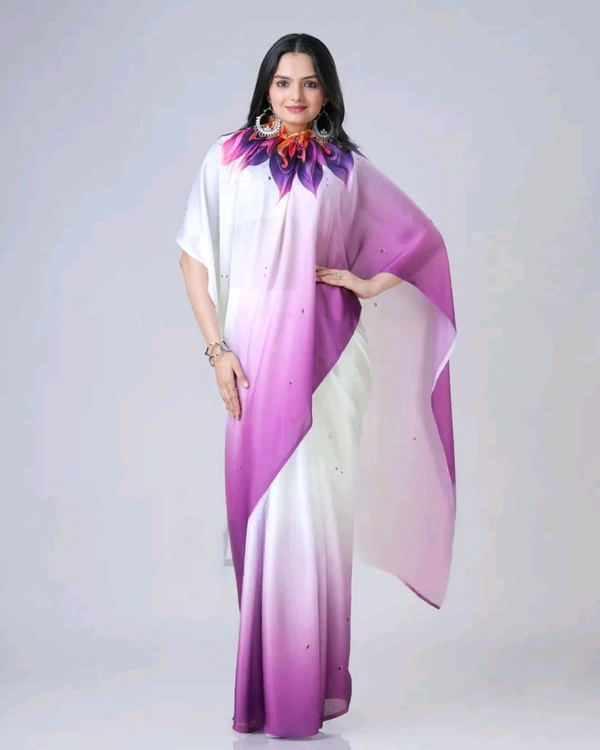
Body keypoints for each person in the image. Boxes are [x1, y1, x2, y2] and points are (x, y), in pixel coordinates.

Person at [177, 32, 457, 740]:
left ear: (326, 91)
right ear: (266, 88)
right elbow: (193, 261)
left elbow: (422, 242)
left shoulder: (345, 169)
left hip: (329, 360)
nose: (295, 95)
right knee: (267, 511)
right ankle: (268, 688)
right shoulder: (226, 160)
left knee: (317, 516)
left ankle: (305, 690)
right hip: (252, 356)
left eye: (308, 82)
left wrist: (367, 283)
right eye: (283, 82)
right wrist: (217, 351)